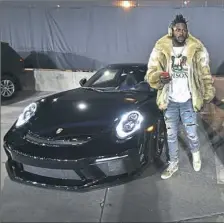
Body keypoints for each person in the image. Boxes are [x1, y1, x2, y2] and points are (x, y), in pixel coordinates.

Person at [145, 14, 216, 179]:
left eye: (183, 29)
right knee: (171, 135)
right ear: (171, 31)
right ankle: (173, 164)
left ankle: (196, 154)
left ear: (187, 32)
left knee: (191, 132)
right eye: (178, 29)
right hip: (169, 101)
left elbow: (205, 74)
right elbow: (151, 73)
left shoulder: (196, 49)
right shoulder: (161, 49)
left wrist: (206, 94)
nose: (181, 32)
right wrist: (159, 78)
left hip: (188, 100)